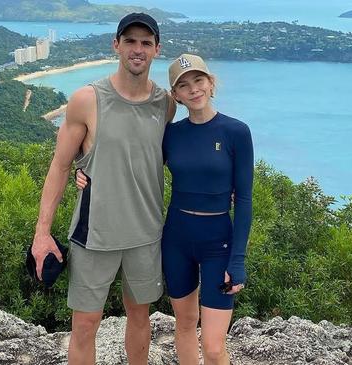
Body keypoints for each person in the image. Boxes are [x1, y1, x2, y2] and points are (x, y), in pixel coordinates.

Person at [77, 54, 254, 364]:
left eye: (199, 81)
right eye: (184, 86)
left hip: (218, 243)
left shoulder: (236, 132)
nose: (193, 89)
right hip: (176, 241)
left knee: (214, 348)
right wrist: (86, 168)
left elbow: (244, 200)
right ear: (177, 95)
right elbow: (131, 162)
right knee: (184, 326)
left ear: (210, 84)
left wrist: (237, 259)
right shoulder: (171, 134)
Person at [31, 13, 176, 365]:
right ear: (116, 45)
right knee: (84, 324)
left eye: (145, 42)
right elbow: (60, 165)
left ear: (157, 49)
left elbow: (183, 152)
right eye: (130, 41)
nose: (137, 49)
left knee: (141, 318)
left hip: (146, 234)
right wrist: (42, 233)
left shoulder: (166, 105)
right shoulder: (87, 100)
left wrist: (222, 185)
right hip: (94, 234)